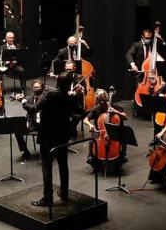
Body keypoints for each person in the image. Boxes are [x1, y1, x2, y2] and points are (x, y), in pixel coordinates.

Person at [32, 72, 80, 207]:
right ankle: (64, 192)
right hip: (62, 136)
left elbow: (34, 108)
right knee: (63, 165)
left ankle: (48, 198)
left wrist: (23, 102)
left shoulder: (50, 95)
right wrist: (70, 127)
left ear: (57, 83)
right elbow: (80, 113)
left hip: (47, 136)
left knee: (47, 168)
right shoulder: (70, 98)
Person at [83, 89, 128, 172]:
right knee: (92, 141)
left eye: (103, 101)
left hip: (114, 131)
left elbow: (125, 117)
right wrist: (90, 125)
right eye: (100, 102)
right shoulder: (96, 108)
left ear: (107, 100)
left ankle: (123, 156)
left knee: (122, 139)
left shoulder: (114, 107)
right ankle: (91, 157)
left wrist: (115, 112)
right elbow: (85, 120)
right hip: (101, 132)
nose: (102, 104)